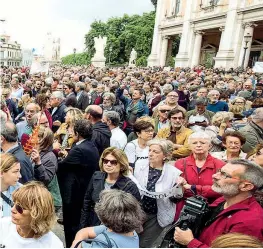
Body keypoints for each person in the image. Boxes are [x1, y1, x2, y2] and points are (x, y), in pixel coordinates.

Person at [173, 159, 263, 247]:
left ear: (246, 186)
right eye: (219, 171)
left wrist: (190, 242)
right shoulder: (223, 199)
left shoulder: (249, 222)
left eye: (224, 175)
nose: (214, 176)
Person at [131, 139, 182, 248]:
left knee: (144, 244)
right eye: (150, 150)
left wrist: (179, 188)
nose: (151, 154)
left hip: (156, 215)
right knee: (130, 240)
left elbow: (176, 199)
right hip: (137, 212)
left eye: (156, 152)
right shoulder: (140, 165)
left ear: (165, 155)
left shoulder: (173, 173)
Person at [57, 119, 100, 247]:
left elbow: (62, 166)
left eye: (72, 130)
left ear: (77, 133)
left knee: (72, 225)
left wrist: (57, 154)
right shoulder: (90, 145)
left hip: (75, 193)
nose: (70, 133)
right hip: (84, 190)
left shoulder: (79, 149)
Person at [80, 147, 140, 228]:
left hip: (116, 229)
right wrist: (83, 226)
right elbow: (87, 203)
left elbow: (135, 214)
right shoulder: (96, 176)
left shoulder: (129, 186)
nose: (108, 164)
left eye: (113, 162)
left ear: (122, 165)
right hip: (93, 225)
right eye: (106, 161)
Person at [174, 131, 225, 220]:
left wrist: (192, 187)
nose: (198, 145)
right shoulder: (180, 163)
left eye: (202, 142)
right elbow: (178, 190)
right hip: (185, 210)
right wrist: (207, 189)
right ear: (190, 146)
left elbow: (220, 190)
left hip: (211, 210)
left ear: (210, 146)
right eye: (194, 143)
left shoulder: (220, 165)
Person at [72, 189, 144, 248]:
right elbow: (84, 231)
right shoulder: (132, 232)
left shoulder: (104, 242)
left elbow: (79, 241)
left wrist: (77, 243)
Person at [0, 181, 63, 247]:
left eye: (20, 208)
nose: (12, 210)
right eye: (13, 204)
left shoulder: (53, 244)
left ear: (38, 213)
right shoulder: (3, 226)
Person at [30, 126, 62, 215]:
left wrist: (38, 163)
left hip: (47, 201)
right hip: (37, 197)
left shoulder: (50, 157)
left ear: (41, 139)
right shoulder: (36, 151)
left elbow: (45, 179)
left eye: (34, 135)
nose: (30, 137)